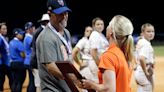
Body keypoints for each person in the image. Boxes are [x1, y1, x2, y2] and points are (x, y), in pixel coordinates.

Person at [77, 15, 134, 92]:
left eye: (109, 25)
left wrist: (91, 85)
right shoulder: (126, 54)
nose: (106, 27)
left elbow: (109, 89)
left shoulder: (109, 55)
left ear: (111, 32)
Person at [36, 0, 72, 91]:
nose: (64, 17)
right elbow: (51, 67)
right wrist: (73, 79)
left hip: (65, 87)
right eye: (60, 14)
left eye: (66, 13)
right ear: (50, 14)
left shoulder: (66, 32)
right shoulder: (46, 37)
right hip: (53, 89)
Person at [72, 26, 98, 92]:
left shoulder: (94, 41)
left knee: (95, 89)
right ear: (84, 32)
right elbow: (74, 52)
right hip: (86, 67)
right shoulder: (83, 41)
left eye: (91, 31)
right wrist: (80, 63)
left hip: (95, 68)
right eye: (87, 31)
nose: (89, 32)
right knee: (86, 89)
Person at [31, 13, 50, 92]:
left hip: (38, 62)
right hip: (37, 62)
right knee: (39, 84)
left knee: (41, 84)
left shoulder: (40, 30)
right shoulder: (40, 32)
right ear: (46, 22)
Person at [134, 23, 155, 92]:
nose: (151, 33)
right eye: (148, 31)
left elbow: (135, 55)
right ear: (142, 33)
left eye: (152, 31)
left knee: (141, 89)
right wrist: (146, 72)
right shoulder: (146, 44)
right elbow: (141, 58)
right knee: (148, 88)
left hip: (138, 70)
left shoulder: (140, 41)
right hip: (143, 71)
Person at [9, 28, 26, 92]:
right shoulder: (19, 43)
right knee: (19, 82)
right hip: (19, 64)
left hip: (12, 63)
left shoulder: (11, 42)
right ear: (16, 34)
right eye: (20, 34)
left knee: (14, 81)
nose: (22, 35)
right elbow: (23, 55)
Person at [0, 22, 13, 92]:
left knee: (11, 79)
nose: (5, 30)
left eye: (6, 29)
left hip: (7, 62)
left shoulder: (6, 38)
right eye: (3, 29)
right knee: (1, 80)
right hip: (2, 63)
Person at [23, 22, 36, 92]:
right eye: (32, 27)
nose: (34, 28)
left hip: (28, 61)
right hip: (30, 61)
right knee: (32, 81)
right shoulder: (28, 37)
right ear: (28, 29)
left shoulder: (27, 37)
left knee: (31, 80)